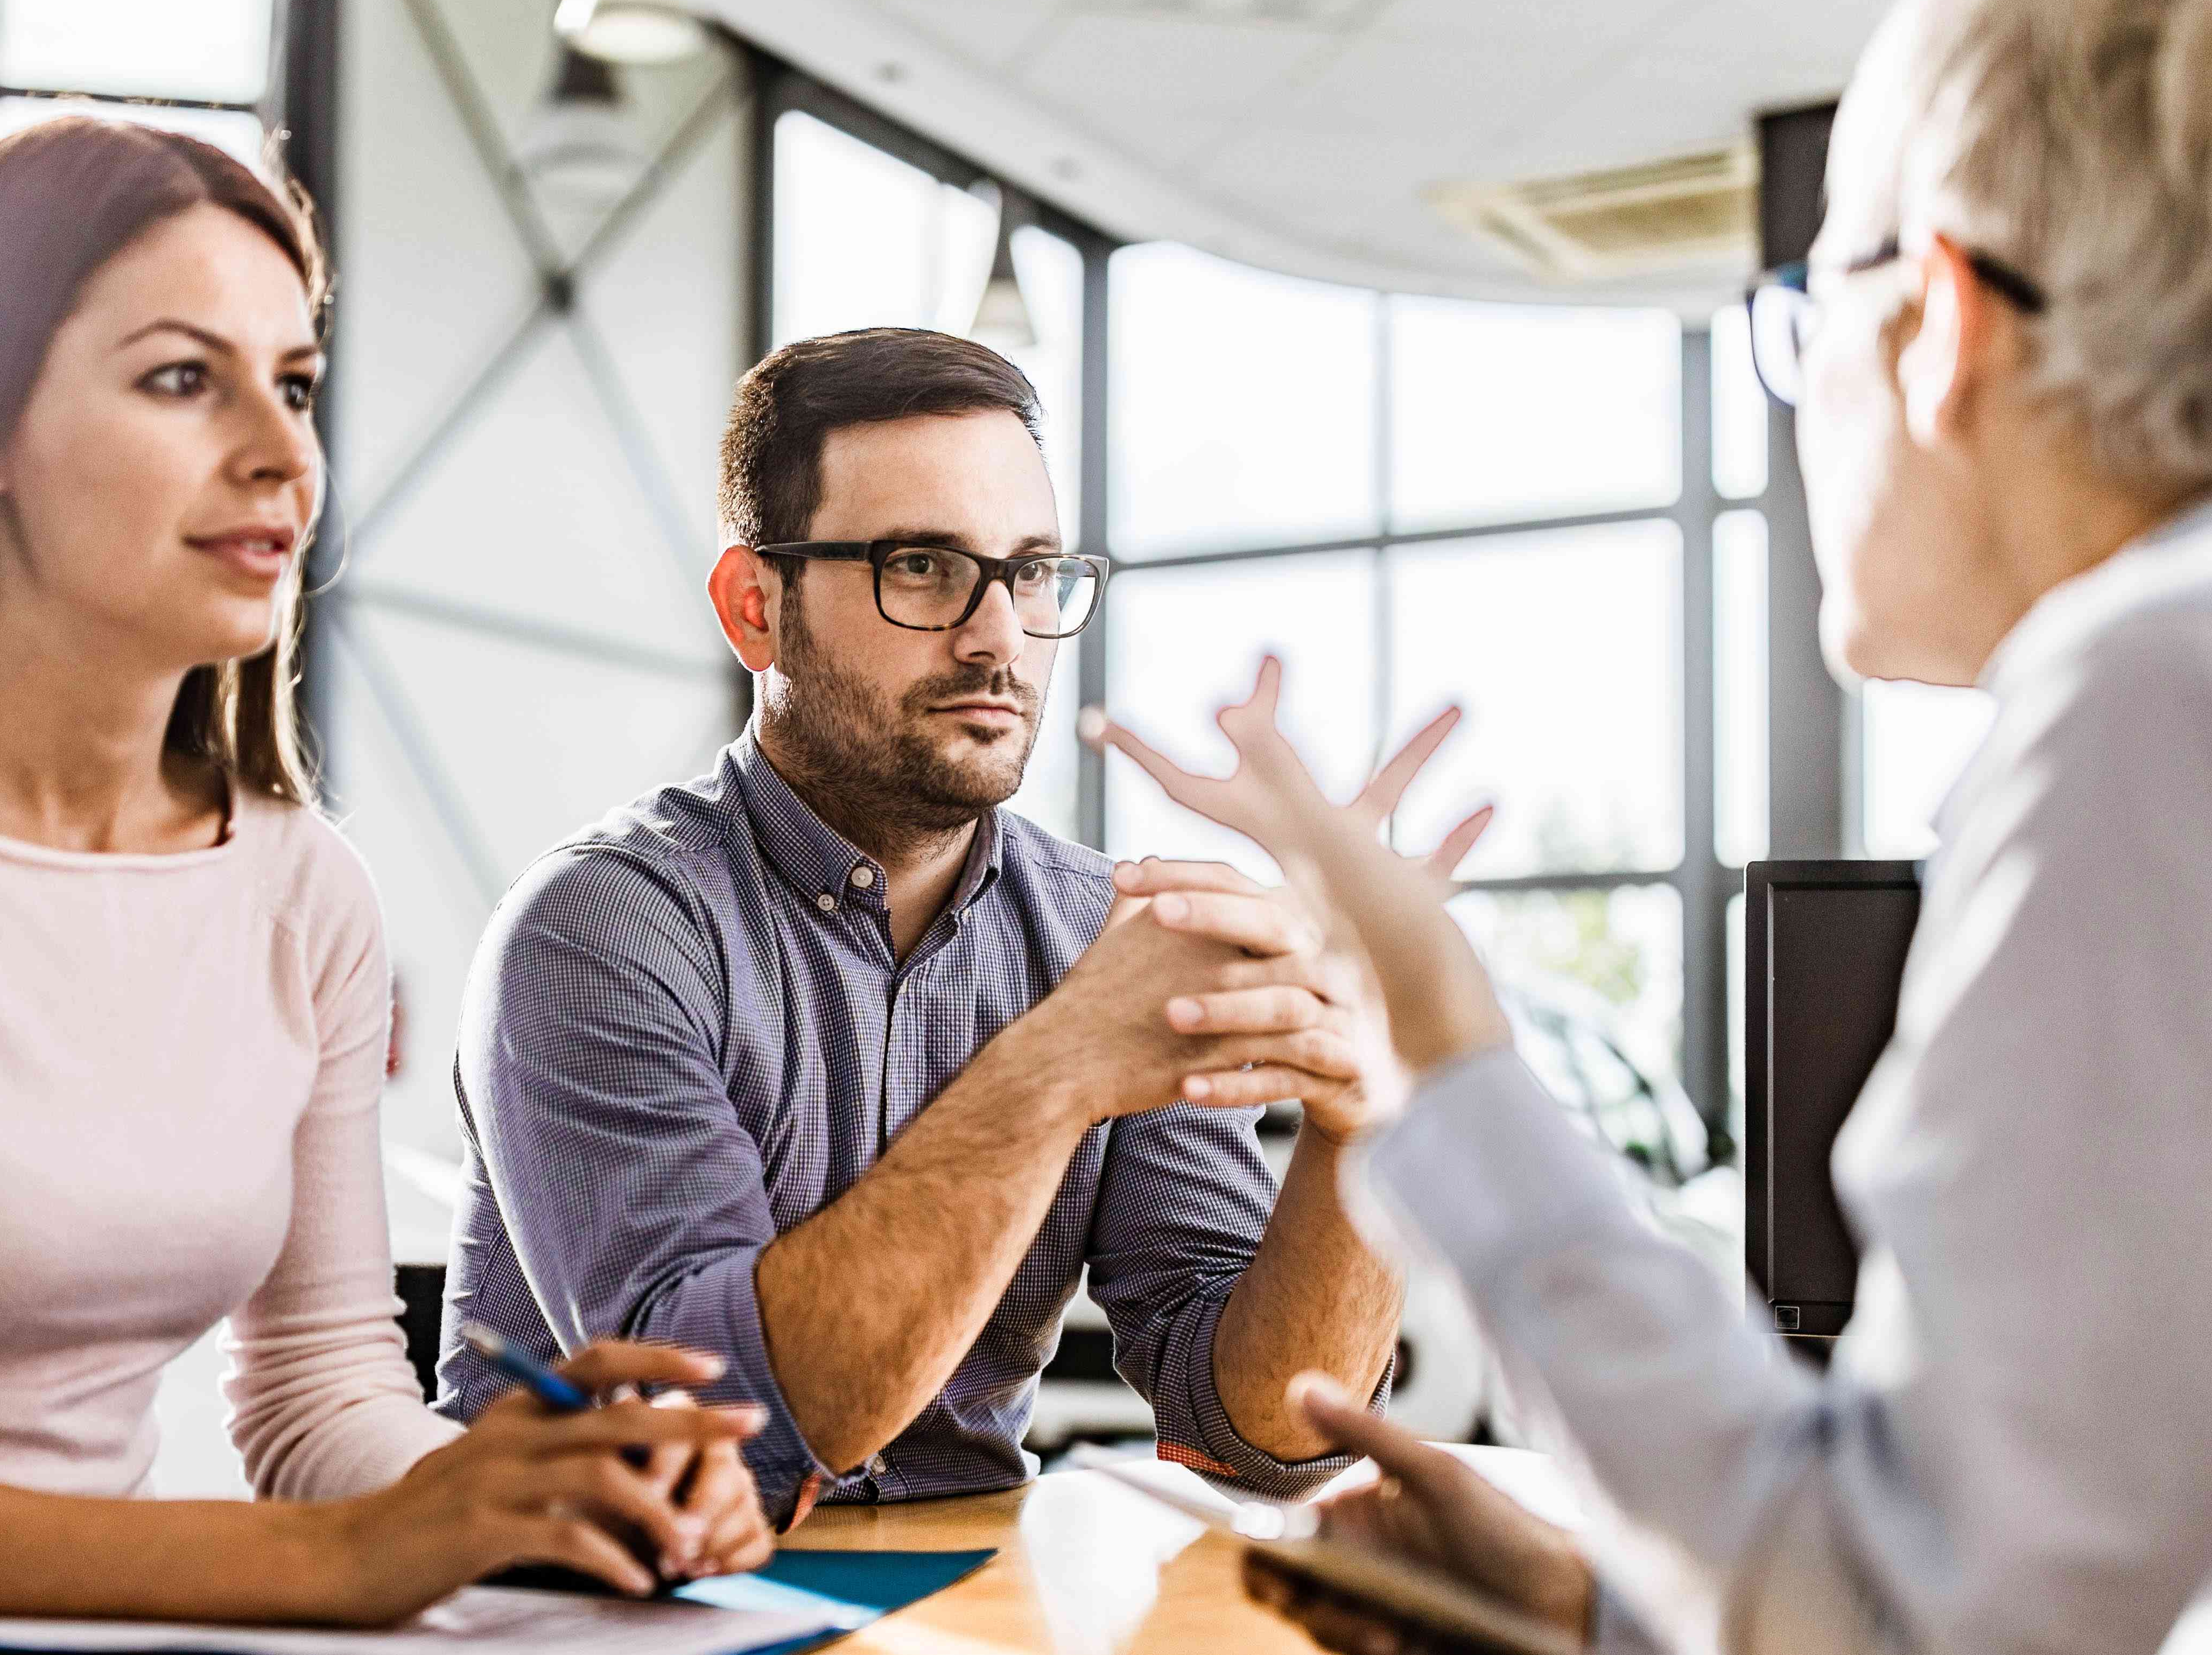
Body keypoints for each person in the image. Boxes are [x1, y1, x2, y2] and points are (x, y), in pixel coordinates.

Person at [1093, 0, 2212, 1655]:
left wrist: (1441, 1047)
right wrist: (1650, 1597)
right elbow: (2194, 1564)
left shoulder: (2188, 698)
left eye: (1800, 311)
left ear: (1937, 320)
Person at [0, 117, 773, 1641]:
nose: (281, 452)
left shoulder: (301, 892)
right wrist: (340, 1566)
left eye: (298, 385)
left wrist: (538, 1501)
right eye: (184, 379)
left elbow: (321, 1405)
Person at [434, 328, 1482, 1523]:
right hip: (586, 1622)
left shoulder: (1103, 931)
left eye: (1031, 572)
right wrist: (1059, 1064)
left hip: (954, 1602)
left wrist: (1356, 1127)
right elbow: (727, 1430)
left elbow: (1259, 1437)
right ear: (754, 608)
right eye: (922, 565)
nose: (997, 638)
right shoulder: (599, 932)